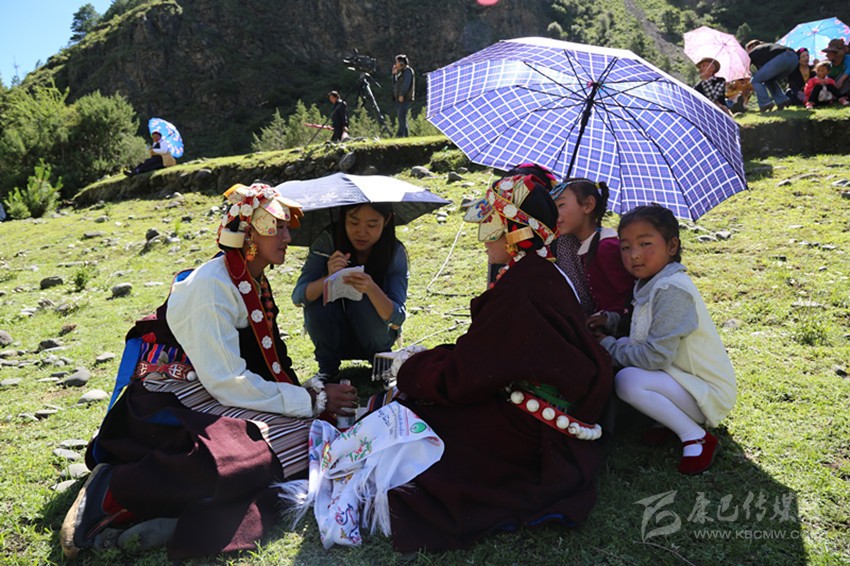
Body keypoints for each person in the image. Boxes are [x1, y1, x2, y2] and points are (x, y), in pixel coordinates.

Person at [60, 183, 358, 560]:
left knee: (308, 437)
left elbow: (257, 363)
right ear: (248, 234)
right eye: (277, 227)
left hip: (212, 384)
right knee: (250, 456)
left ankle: (188, 509)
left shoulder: (250, 278)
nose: (288, 237)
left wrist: (309, 400)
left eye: (287, 227)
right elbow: (227, 383)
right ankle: (113, 492)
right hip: (169, 396)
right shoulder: (213, 288)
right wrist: (310, 400)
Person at [386, 171, 614, 552]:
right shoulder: (543, 270)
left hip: (530, 428)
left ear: (514, 233)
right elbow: (491, 354)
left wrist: (413, 369)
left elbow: (464, 377)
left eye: (491, 227)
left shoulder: (520, 287)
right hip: (545, 412)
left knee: (420, 417)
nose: (484, 238)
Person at [598, 204, 736, 475]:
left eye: (645, 243)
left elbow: (655, 357)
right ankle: (669, 420)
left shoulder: (672, 289)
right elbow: (643, 325)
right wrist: (610, 321)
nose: (634, 254)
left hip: (707, 394)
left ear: (672, 246)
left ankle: (696, 437)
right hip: (682, 380)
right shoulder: (651, 282)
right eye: (625, 247)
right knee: (627, 355)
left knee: (628, 380)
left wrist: (606, 346)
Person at [292, 203, 408, 378]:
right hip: (332, 335)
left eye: (372, 225)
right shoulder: (328, 241)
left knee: (361, 299)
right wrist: (328, 278)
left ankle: (384, 366)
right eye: (354, 223)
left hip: (377, 336)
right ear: (343, 218)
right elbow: (298, 297)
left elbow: (397, 320)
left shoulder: (394, 251)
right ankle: (327, 370)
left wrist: (371, 288)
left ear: (386, 221)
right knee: (317, 299)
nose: (361, 232)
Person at [549, 178, 634, 330]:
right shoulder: (576, 245)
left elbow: (629, 296)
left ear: (587, 205)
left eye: (561, 205)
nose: (555, 214)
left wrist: (607, 318)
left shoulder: (606, 248)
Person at [746, 39, 799, 112]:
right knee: (768, 79)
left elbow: (745, 68)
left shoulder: (754, 51)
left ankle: (765, 104)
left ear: (751, 47)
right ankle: (782, 100)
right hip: (794, 58)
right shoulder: (767, 48)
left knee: (755, 81)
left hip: (781, 58)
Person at [391, 54, 415, 137]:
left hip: (405, 98)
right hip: (399, 98)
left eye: (397, 62)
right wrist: (394, 75)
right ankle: (405, 135)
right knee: (402, 117)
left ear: (401, 63)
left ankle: (400, 134)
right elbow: (394, 84)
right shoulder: (401, 73)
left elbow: (406, 84)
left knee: (401, 116)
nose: (395, 64)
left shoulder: (408, 71)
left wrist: (402, 95)